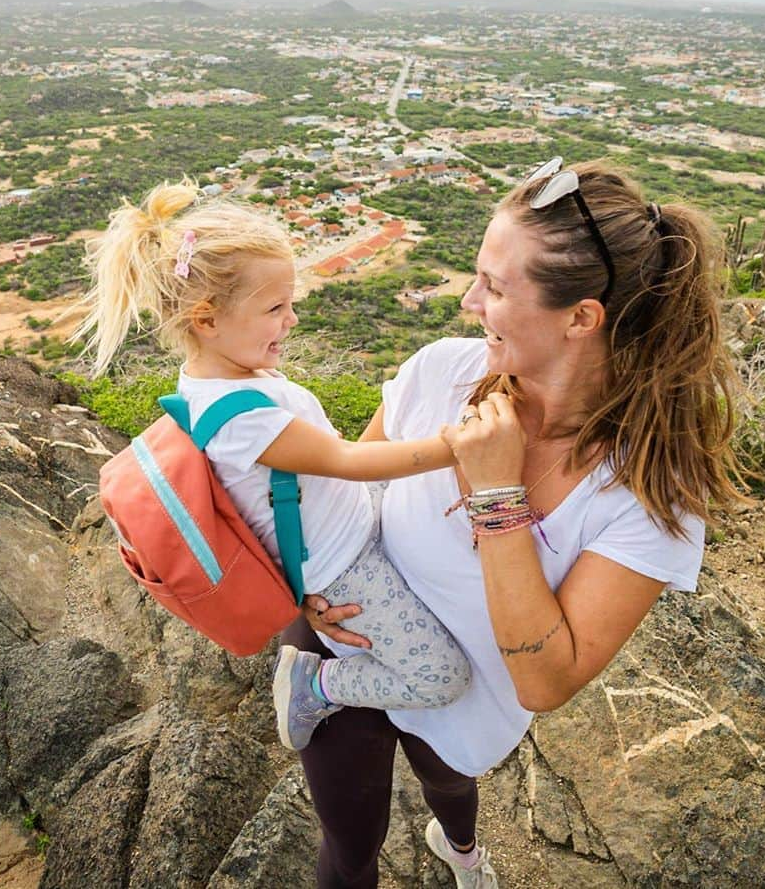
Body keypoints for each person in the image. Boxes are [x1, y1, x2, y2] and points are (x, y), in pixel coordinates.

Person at [283, 158, 744, 888]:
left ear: (581, 317)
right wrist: (306, 591)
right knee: (350, 844)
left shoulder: (651, 496)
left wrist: (498, 495)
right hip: (348, 639)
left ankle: (461, 847)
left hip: (472, 701)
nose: (469, 301)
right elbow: (342, 498)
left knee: (450, 786)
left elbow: (544, 678)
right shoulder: (440, 372)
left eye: (495, 287)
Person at [75, 179, 472, 752]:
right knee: (442, 678)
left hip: (352, 529)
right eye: (274, 308)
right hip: (346, 567)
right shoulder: (238, 416)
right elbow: (344, 460)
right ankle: (318, 683)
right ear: (206, 319)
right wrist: (455, 446)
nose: (290, 320)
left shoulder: (232, 371)